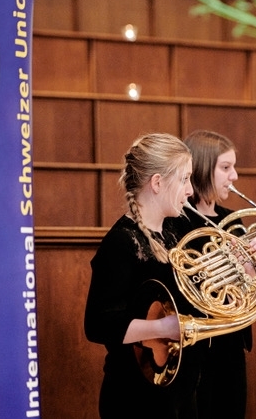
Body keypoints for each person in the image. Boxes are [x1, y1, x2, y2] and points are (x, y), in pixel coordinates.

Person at [175, 129, 256, 419]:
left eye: (233, 167)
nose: (234, 176)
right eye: (225, 168)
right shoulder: (177, 222)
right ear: (200, 168)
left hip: (231, 347)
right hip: (195, 352)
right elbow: (185, 285)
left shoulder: (228, 221)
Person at [84, 133, 204, 419]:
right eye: (184, 179)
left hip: (180, 391)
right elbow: (97, 325)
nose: (190, 191)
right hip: (135, 397)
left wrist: (246, 267)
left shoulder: (178, 231)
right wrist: (163, 328)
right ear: (158, 183)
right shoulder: (121, 242)